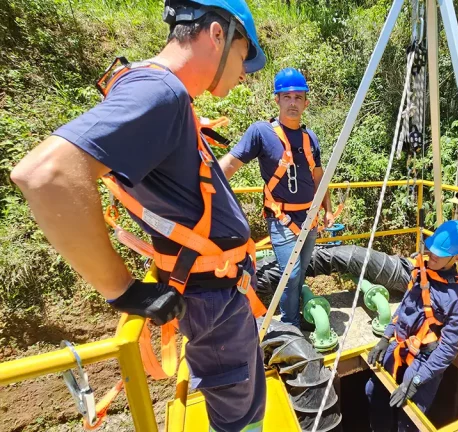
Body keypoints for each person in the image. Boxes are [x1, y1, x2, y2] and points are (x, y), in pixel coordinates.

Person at [11, 1, 270, 431]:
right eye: (245, 56)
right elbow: (45, 173)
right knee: (239, 421)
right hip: (213, 299)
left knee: (241, 411)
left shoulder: (165, 94)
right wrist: (123, 290)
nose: (244, 72)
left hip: (220, 295)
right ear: (218, 34)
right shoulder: (161, 93)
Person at [218, 67, 333, 328]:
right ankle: (289, 323)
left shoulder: (309, 137)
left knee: (301, 271)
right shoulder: (262, 132)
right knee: (290, 274)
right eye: (287, 97)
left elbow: (319, 176)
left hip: (309, 218)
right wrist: (203, 185)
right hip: (282, 219)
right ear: (277, 100)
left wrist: (326, 209)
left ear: (306, 102)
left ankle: (295, 315)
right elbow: (232, 163)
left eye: (298, 97)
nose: (293, 102)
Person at [365, 220, 458, 431]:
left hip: (426, 360)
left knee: (409, 419)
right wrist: (384, 337)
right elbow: (403, 309)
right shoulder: (421, 273)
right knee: (373, 391)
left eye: (440, 253)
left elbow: (447, 350)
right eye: (432, 249)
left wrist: (416, 380)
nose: (432, 255)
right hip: (400, 346)